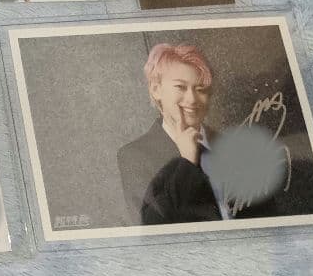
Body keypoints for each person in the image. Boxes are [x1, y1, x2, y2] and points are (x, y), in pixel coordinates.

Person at [116, 44, 280, 225]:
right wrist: (186, 161)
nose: (192, 99)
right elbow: (154, 227)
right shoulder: (135, 156)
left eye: (200, 89)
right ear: (156, 90)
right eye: (181, 87)